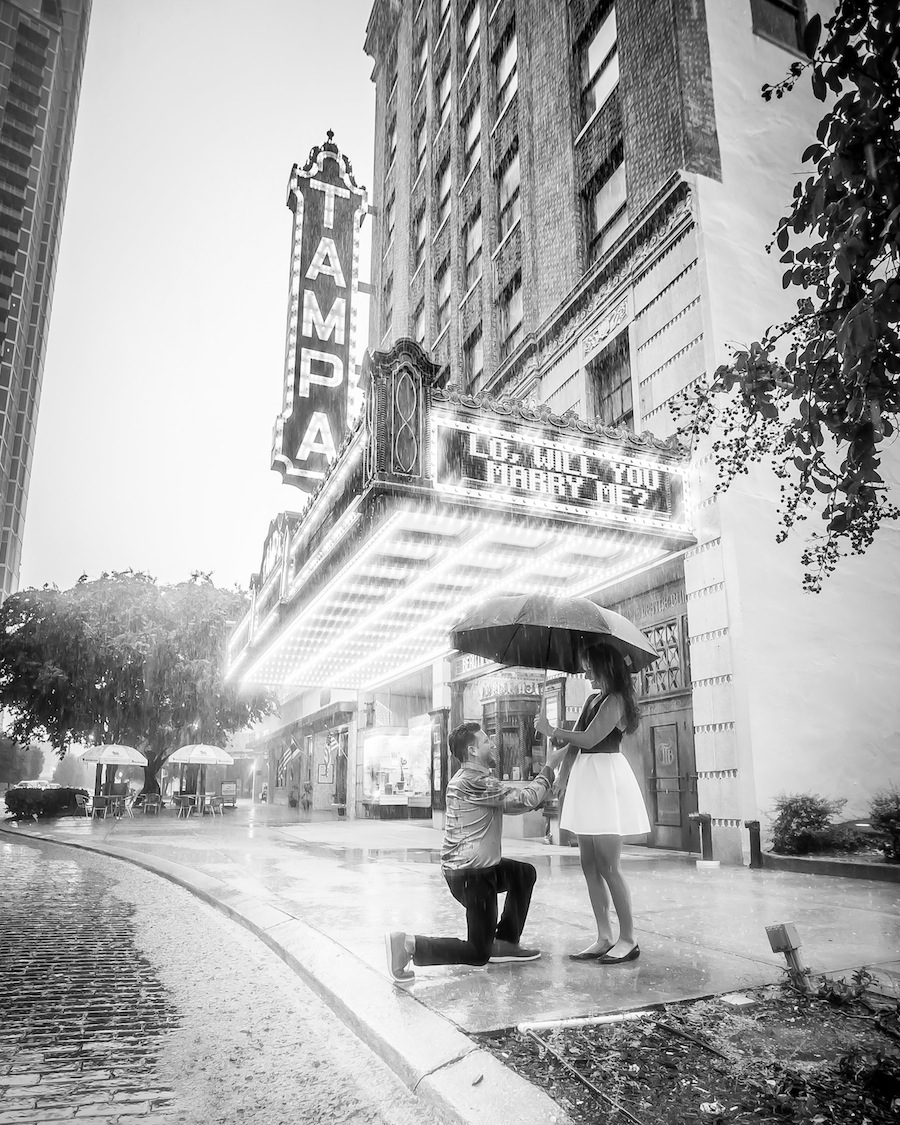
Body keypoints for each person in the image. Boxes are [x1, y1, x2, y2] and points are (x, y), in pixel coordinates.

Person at [385, 721, 567, 984]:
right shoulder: (474, 781)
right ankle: (409, 945)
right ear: (471, 751)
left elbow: (521, 802)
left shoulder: (474, 780)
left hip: (479, 868)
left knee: (522, 874)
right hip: (472, 875)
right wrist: (549, 767)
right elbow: (523, 800)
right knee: (477, 953)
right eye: (485, 742)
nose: (492, 744)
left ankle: (504, 942)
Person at [534, 643, 650, 964]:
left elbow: (589, 738)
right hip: (588, 779)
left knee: (609, 865)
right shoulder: (592, 699)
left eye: (590, 667)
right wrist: (562, 775)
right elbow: (574, 742)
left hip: (606, 779)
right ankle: (603, 935)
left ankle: (628, 938)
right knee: (589, 864)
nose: (586, 673)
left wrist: (553, 729)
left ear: (605, 667)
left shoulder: (617, 701)